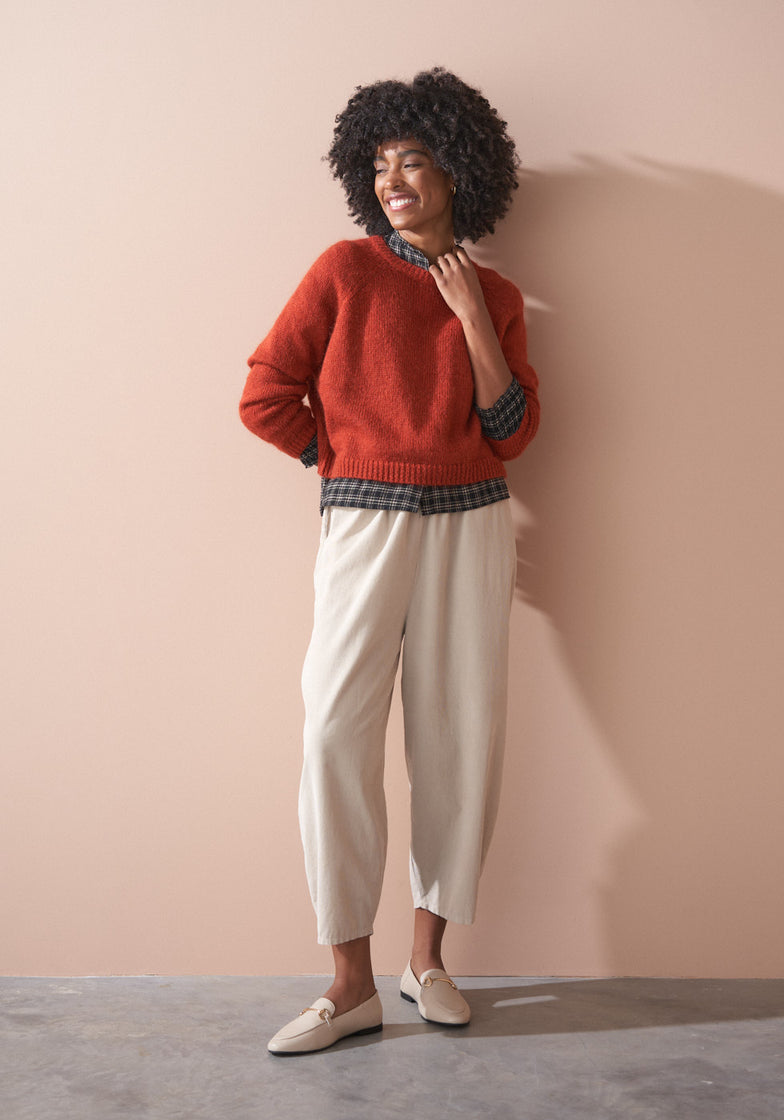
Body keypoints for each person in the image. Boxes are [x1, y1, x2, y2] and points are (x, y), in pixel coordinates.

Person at [240, 68, 540, 1055]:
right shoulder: (341, 270)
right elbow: (265, 394)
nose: (393, 177)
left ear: (457, 167)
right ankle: (346, 981)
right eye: (378, 162)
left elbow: (510, 428)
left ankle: (427, 962)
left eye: (411, 158)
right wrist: (345, 460)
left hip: (471, 523)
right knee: (333, 729)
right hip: (364, 524)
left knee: (459, 737)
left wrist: (468, 322)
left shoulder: (493, 293)